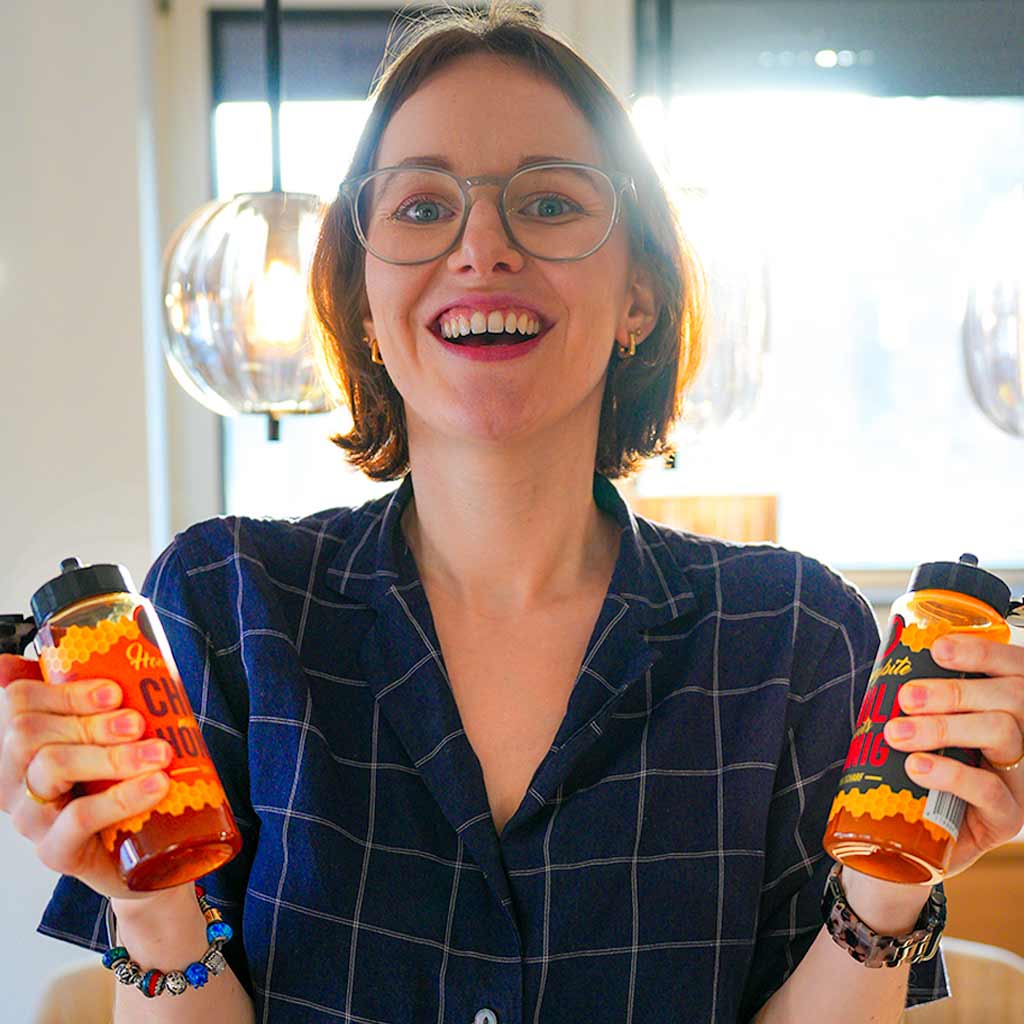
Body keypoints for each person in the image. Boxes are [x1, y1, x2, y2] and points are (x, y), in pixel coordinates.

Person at [2, 3, 1023, 1022]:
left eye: (547, 203)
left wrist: (887, 893)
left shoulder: (794, 635)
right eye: (420, 207)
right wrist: (151, 912)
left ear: (638, 297)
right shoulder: (226, 602)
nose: (481, 246)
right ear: (363, 302)